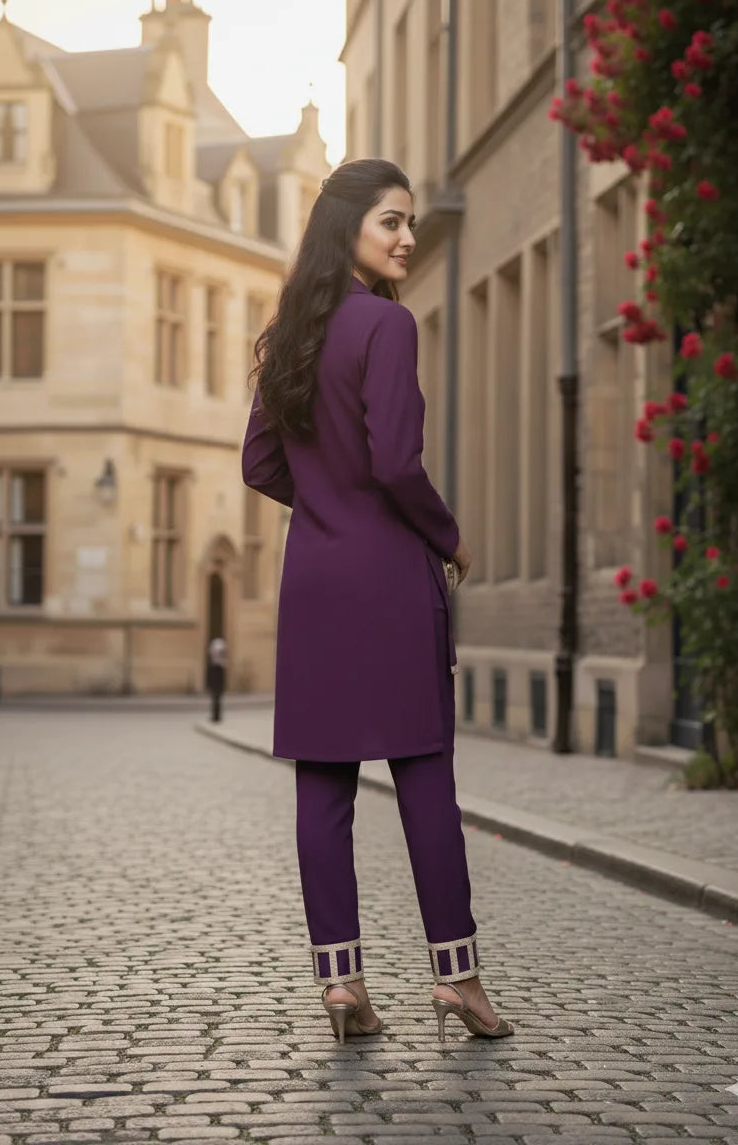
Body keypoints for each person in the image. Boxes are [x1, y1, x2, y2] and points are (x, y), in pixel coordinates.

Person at [241, 158, 513, 1045]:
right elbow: (398, 463)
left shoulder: (291, 331)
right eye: (390, 223)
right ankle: (458, 981)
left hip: (314, 585)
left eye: (408, 223)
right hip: (391, 584)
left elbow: (260, 464)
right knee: (425, 781)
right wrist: (450, 537)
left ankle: (341, 986)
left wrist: (327, 504)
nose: (407, 237)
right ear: (348, 227)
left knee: (323, 791)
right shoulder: (386, 329)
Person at [206, 637, 226, 723]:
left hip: (216, 669)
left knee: (216, 696)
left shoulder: (216, 644)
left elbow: (212, 654)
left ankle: (216, 716)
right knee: (217, 696)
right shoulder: (222, 644)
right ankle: (216, 716)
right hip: (219, 669)